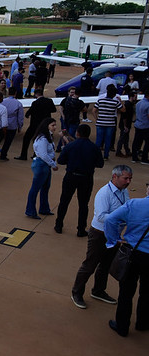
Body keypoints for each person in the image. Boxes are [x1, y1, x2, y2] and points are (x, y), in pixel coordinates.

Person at [70, 164, 132, 309]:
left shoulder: (124, 191)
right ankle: (76, 292)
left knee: (106, 264)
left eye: (130, 179)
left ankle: (98, 290)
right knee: (89, 265)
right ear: (115, 177)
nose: (128, 181)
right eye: (125, 178)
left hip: (114, 235)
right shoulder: (105, 193)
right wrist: (121, 218)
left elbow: (127, 207)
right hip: (99, 234)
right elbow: (101, 216)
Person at [104, 182, 149, 337]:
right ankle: (143, 322)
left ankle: (122, 326)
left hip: (132, 252)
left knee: (126, 292)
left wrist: (113, 239)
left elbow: (110, 220)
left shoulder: (134, 204)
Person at [54, 124, 104, 234]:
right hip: (86, 178)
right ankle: (81, 228)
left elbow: (61, 160)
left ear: (77, 133)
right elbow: (100, 164)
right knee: (83, 204)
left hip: (71, 176)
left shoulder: (71, 146)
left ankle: (59, 225)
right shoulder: (94, 148)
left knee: (64, 201)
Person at [24, 117, 58, 219]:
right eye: (53, 125)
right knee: (35, 189)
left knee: (45, 188)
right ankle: (31, 210)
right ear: (46, 126)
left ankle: (44, 208)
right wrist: (53, 164)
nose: (54, 127)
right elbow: (43, 155)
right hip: (42, 165)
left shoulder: (47, 137)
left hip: (44, 165)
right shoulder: (43, 139)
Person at [15, 89, 56, 160]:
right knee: (42, 139)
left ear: (36, 94)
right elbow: (54, 110)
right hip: (45, 125)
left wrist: (28, 115)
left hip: (34, 125)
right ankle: (36, 154)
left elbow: (29, 113)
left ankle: (24, 155)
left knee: (27, 139)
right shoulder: (49, 101)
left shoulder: (35, 103)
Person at [93, 84, 124, 160]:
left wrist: (97, 119)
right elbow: (123, 110)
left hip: (100, 122)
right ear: (114, 95)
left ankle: (96, 155)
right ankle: (106, 156)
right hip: (110, 123)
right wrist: (121, 101)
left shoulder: (101, 100)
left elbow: (94, 111)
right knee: (108, 140)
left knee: (98, 140)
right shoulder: (115, 102)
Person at [0, 87, 24, 161]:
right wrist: (20, 127)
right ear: (15, 93)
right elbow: (20, 117)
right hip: (12, 125)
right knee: (8, 141)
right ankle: (3, 155)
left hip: (1, 123)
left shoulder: (3, 101)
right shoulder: (18, 103)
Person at [116, 89, 137, 158]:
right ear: (131, 97)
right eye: (135, 97)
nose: (136, 98)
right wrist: (125, 125)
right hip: (124, 124)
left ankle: (127, 150)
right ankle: (118, 151)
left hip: (126, 124)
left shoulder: (128, 104)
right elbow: (124, 116)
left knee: (125, 138)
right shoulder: (128, 105)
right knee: (122, 138)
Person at [131, 90, 149, 164]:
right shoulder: (148, 104)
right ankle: (144, 158)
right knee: (147, 143)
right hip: (146, 126)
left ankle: (134, 157)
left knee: (136, 142)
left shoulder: (138, 103)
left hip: (138, 124)